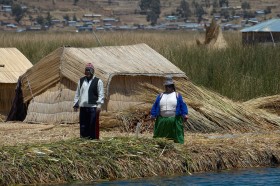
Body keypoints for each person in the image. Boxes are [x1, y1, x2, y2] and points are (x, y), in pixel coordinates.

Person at [150, 76, 188, 144]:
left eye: (169, 86)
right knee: (160, 135)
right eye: (166, 86)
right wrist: (153, 114)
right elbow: (155, 105)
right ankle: (160, 144)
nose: (168, 88)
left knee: (177, 133)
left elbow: (183, 105)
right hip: (162, 119)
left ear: (172, 86)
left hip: (174, 119)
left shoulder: (177, 95)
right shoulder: (161, 95)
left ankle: (178, 145)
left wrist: (184, 114)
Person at [73, 63, 104, 140]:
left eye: (89, 70)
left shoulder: (98, 81)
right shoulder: (81, 81)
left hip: (93, 107)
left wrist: (99, 105)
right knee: (83, 125)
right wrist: (75, 104)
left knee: (92, 124)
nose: (88, 72)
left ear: (92, 71)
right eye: (86, 70)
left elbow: (101, 94)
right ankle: (83, 139)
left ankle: (93, 140)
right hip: (83, 106)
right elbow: (77, 93)